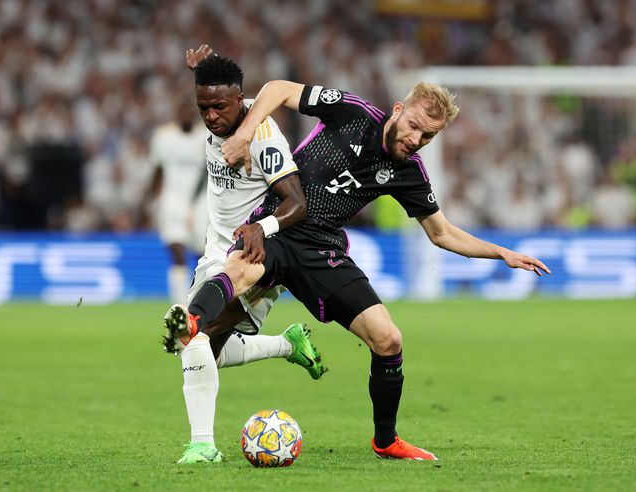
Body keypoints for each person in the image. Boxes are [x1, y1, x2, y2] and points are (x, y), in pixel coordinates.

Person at [166, 80, 551, 460]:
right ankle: (193, 319)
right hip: (276, 225)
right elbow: (279, 88)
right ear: (398, 110)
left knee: (389, 340)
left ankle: (386, 440)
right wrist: (246, 132)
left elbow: (442, 233)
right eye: (415, 126)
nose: (417, 139)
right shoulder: (351, 112)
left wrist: (503, 253)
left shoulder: (408, 171)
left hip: (322, 249)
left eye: (428, 136)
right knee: (231, 292)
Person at [166, 47, 326, 465]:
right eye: (204, 107)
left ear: (241, 101)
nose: (212, 116)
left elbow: (296, 203)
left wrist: (263, 227)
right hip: (212, 256)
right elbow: (219, 82)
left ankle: (202, 445)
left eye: (220, 106)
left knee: (194, 337)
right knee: (204, 350)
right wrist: (203, 67)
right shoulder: (217, 112)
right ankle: (287, 345)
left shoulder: (264, 137)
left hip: (252, 261)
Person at [148, 101, 208, 304]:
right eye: (182, 112)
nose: (186, 116)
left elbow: (209, 172)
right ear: (176, 114)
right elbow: (157, 170)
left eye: (190, 112)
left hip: (201, 202)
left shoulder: (205, 136)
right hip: (172, 200)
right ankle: (179, 305)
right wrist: (149, 199)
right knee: (176, 249)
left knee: (203, 254)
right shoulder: (163, 136)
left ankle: (199, 301)